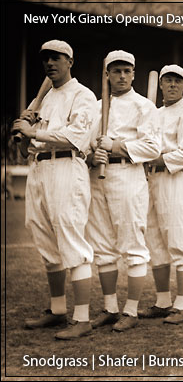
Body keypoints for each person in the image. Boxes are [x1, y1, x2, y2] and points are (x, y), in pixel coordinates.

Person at [12, 40, 98, 339]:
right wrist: (22, 132)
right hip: (40, 168)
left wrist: (34, 131)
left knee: (71, 239)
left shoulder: (83, 95)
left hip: (66, 167)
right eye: (46, 59)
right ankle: (58, 309)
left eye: (57, 58)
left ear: (70, 61)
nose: (50, 64)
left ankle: (83, 318)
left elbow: (75, 136)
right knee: (44, 237)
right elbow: (26, 150)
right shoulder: (44, 100)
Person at [86, 50, 160, 332]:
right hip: (98, 175)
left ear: (133, 73)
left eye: (126, 71)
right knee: (102, 245)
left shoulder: (143, 106)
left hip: (128, 173)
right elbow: (83, 143)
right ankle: (109, 307)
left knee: (132, 242)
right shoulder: (95, 106)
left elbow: (152, 148)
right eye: (115, 71)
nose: (121, 76)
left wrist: (116, 146)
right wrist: (92, 155)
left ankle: (131, 310)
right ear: (107, 74)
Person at [138, 64, 183, 324]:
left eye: (178, 81)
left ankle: (182, 304)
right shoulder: (151, 113)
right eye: (168, 80)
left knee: (180, 241)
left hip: (177, 180)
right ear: (161, 84)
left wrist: (154, 157)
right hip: (151, 180)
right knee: (155, 241)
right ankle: (163, 301)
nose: (172, 85)